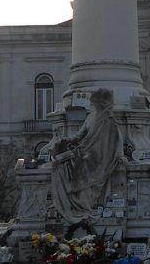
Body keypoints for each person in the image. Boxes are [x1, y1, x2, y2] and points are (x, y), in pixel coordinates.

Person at [50, 88, 124, 222]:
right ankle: (68, 201)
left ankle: (80, 202)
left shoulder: (109, 119)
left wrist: (120, 155)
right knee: (59, 164)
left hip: (100, 156)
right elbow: (79, 136)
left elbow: (117, 140)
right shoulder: (91, 117)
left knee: (76, 163)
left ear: (100, 103)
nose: (92, 105)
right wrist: (64, 140)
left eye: (94, 103)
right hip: (86, 150)